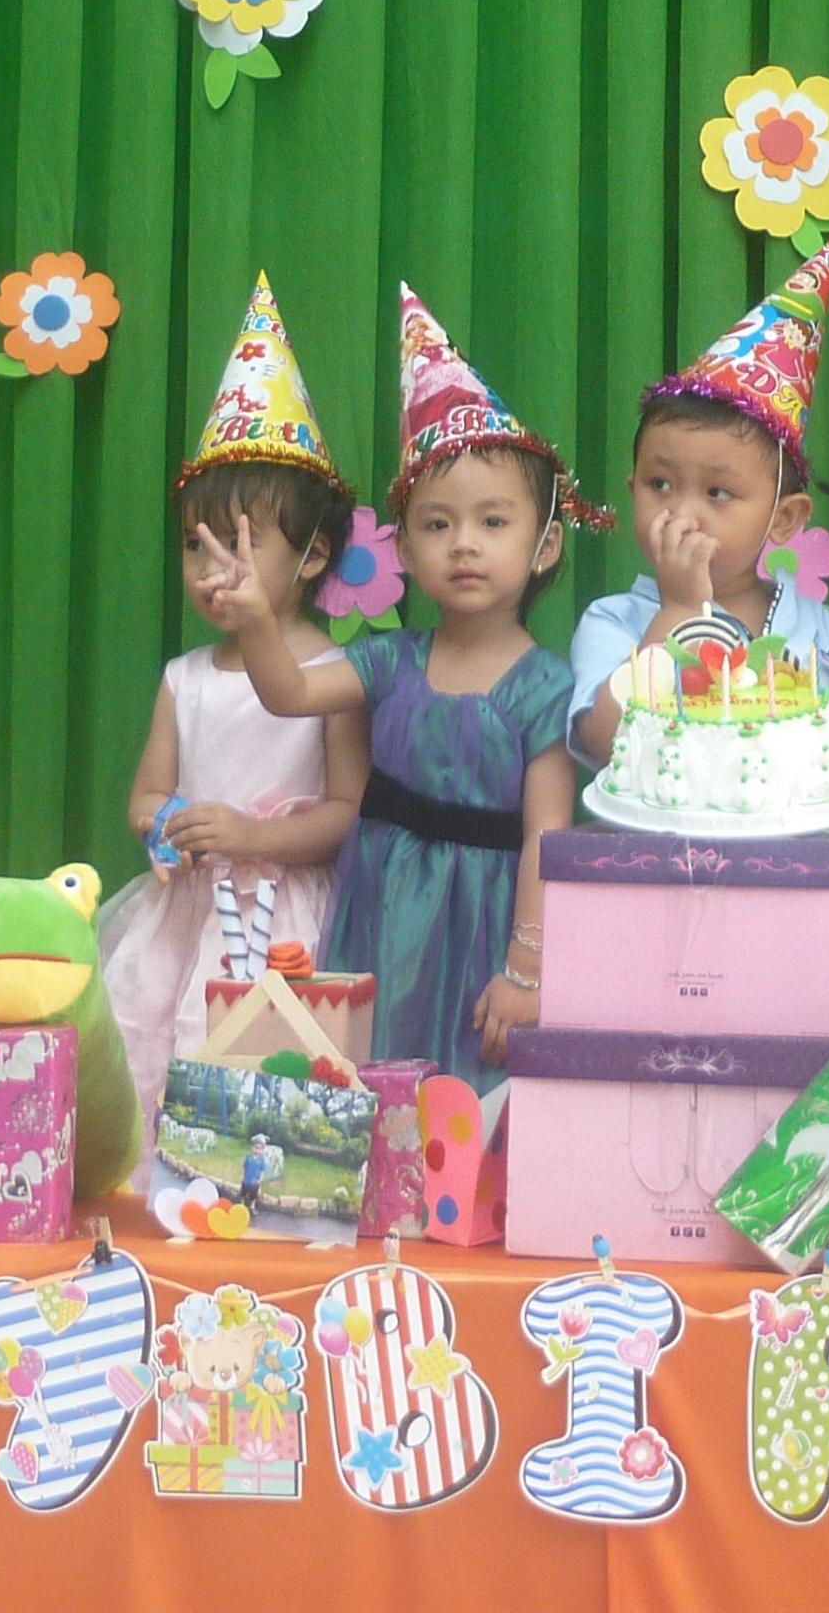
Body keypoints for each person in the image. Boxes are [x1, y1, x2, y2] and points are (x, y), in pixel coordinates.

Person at [228, 290, 594, 1080]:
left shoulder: (547, 688)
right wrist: (257, 619)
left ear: (544, 545)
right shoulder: (387, 660)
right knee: (364, 1079)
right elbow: (289, 694)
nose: (463, 544)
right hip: (381, 910)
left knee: (464, 1093)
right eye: (437, 524)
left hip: (486, 925)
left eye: (493, 522)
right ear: (403, 549)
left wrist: (526, 969)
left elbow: (548, 835)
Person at [98, 275, 369, 1136]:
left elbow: (346, 813)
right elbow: (146, 794)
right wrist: (166, 822)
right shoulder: (185, 676)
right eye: (196, 545)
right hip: (186, 912)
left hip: (288, 920)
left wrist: (251, 836)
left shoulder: (335, 674)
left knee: (278, 1070)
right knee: (157, 1048)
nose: (214, 570)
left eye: (241, 546)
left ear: (313, 555)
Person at [567, 241, 829, 771]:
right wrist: (676, 612)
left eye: (718, 493)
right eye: (660, 484)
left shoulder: (821, 633)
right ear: (632, 490)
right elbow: (607, 744)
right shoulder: (616, 622)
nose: (682, 513)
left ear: (784, 518)